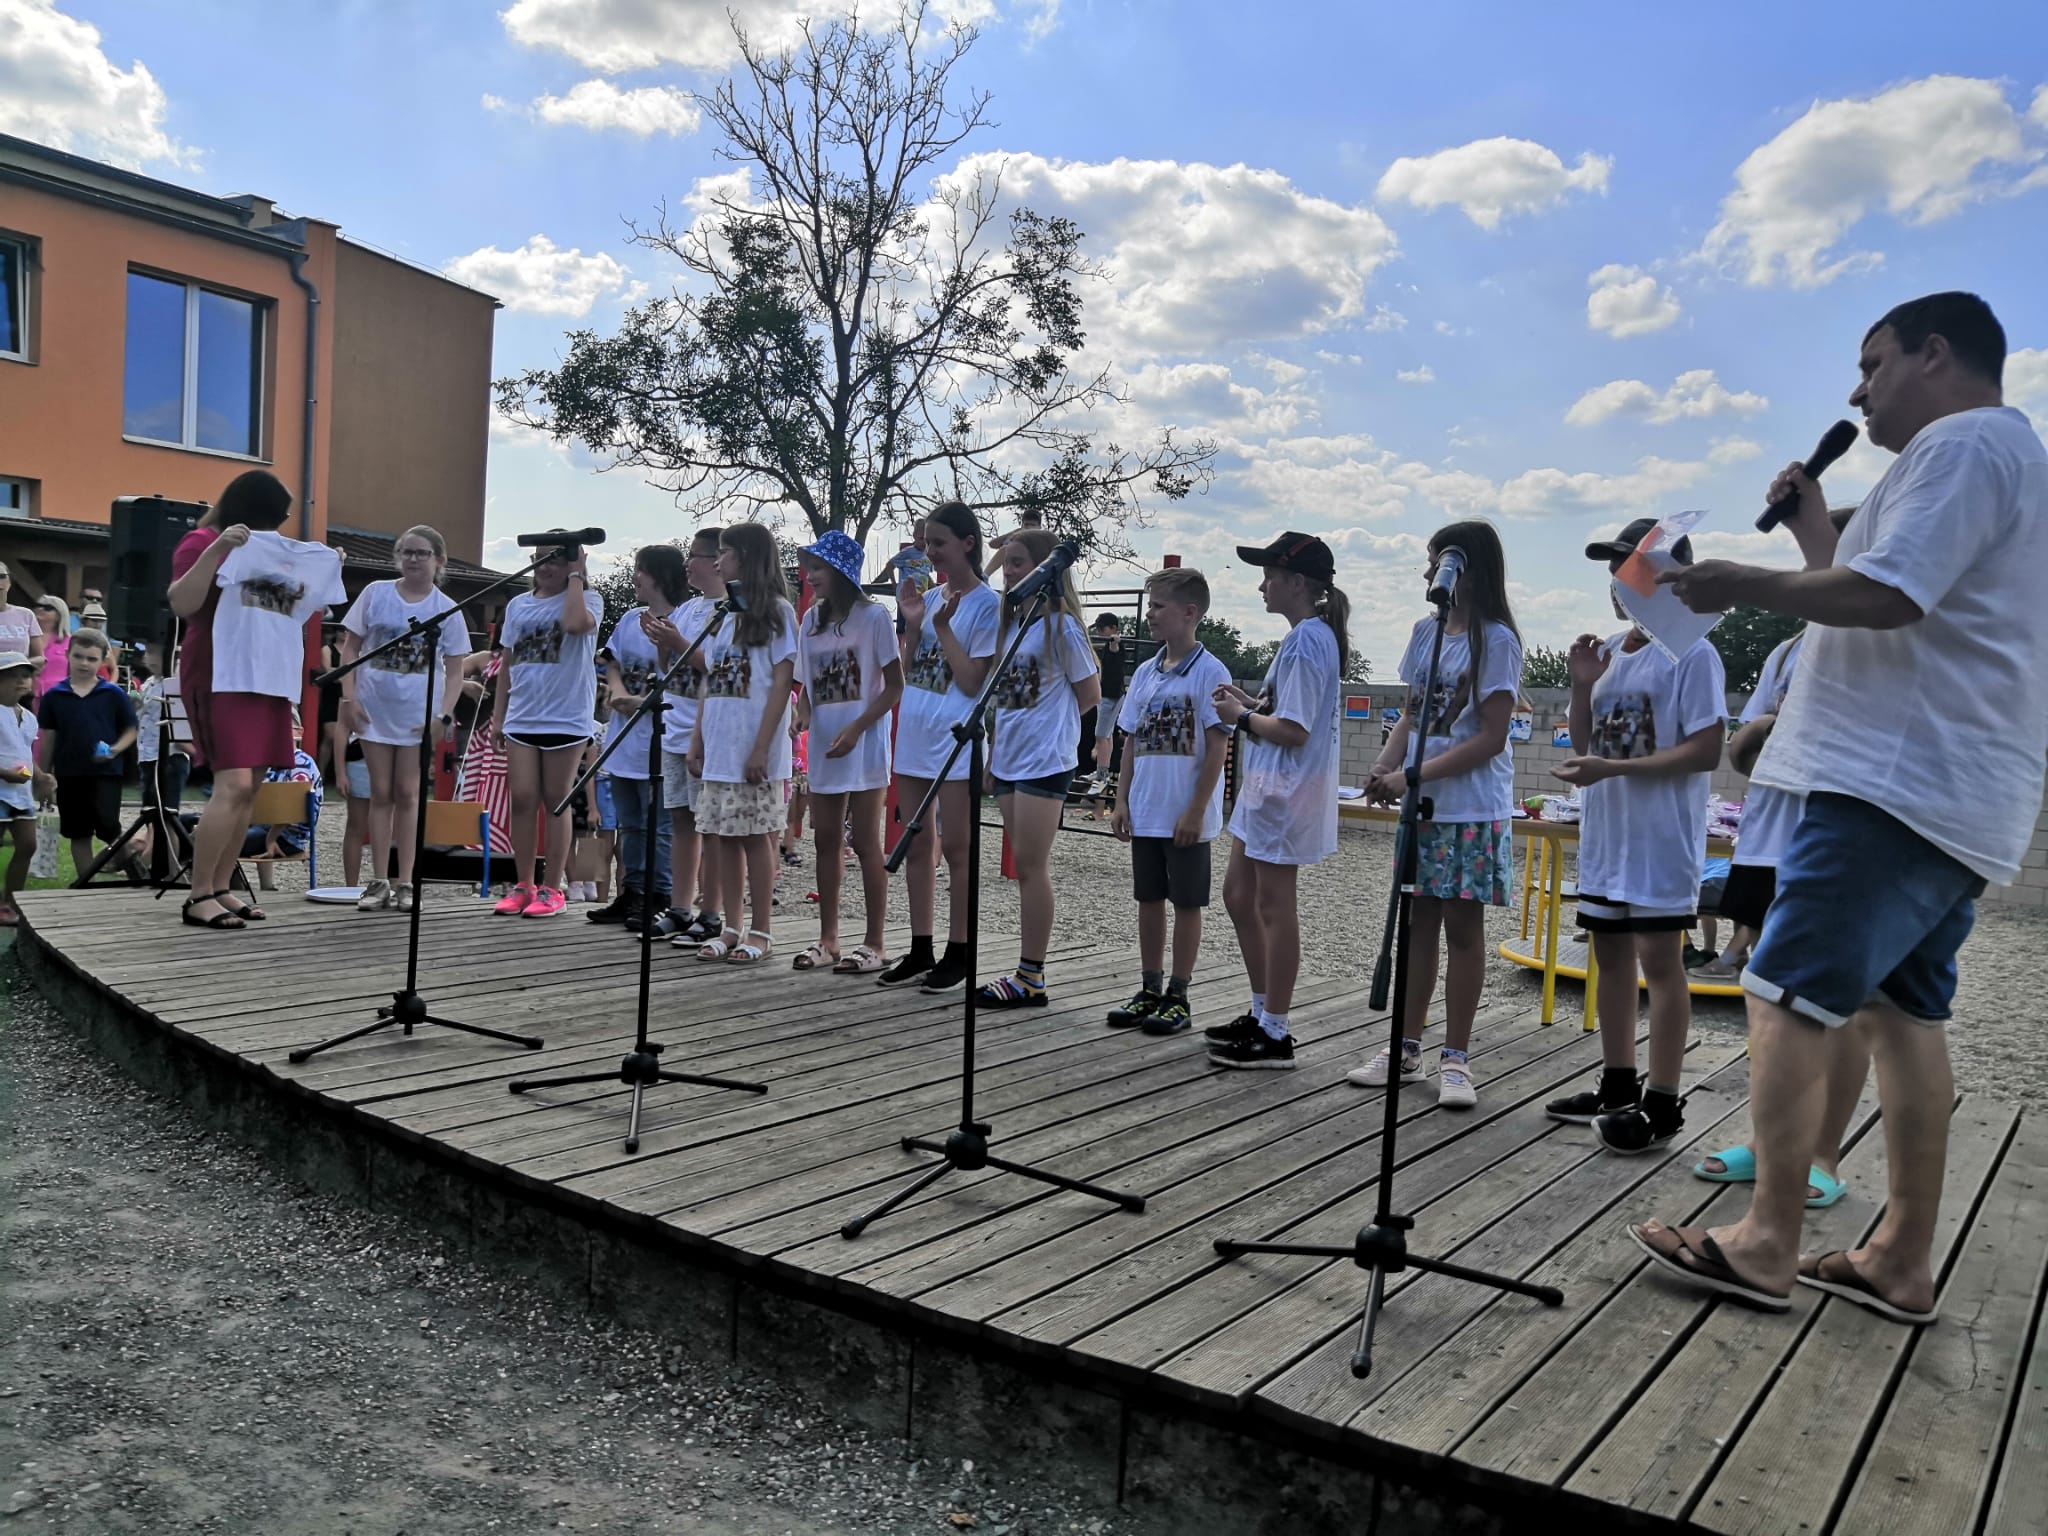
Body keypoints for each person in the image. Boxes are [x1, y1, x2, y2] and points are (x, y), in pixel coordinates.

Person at [1629, 292, 2048, 1322]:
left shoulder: (1960, 446)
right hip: (1953, 792)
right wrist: (1813, 526)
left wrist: (1741, 580)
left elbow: (1887, 598)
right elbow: (1877, 590)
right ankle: (1899, 1258)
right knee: (1900, 1014)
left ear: (1934, 353)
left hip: (1888, 783)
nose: (1856, 393)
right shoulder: (2008, 457)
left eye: (1871, 365)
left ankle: (1766, 1239)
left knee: (1780, 990)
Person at [1541, 519, 1727, 1153]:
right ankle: (1617, 1083)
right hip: (1608, 835)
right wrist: (1581, 686)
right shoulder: (1615, 650)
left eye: (1629, 570)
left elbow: (1706, 750)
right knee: (1611, 959)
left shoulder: (1693, 651)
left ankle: (1664, 1100)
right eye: (1613, 572)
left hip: (1658, 839)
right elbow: (1587, 743)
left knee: (1661, 962)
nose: (1617, 584)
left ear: (1669, 578)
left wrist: (1612, 770)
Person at [1352, 522, 1525, 1108]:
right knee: (1417, 925)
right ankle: (1405, 1047)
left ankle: (1456, 1057)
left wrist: (1412, 775)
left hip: (1470, 806)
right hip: (1422, 808)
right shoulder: (1424, 632)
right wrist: (1384, 766)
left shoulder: (1496, 640)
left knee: (1463, 931)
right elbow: (1412, 713)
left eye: (1439, 561)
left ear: (1466, 569)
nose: (1429, 573)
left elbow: (1492, 738)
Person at [1207, 532, 1348, 1069]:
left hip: (1287, 791)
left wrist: (1240, 717)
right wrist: (1249, 703)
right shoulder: (1303, 637)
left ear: (1298, 582)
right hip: (1268, 787)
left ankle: (1276, 1030)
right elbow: (1283, 711)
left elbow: (1294, 730)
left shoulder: (1310, 639)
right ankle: (1262, 1009)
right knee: (1238, 894)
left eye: (1269, 576)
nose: (1262, 586)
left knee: (1273, 904)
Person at [879, 501, 1002, 992]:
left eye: (939, 543)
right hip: (915, 730)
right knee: (916, 841)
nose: (930, 552)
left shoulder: (987, 604)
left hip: (955, 737)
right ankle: (920, 946)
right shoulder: (929, 598)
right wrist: (912, 626)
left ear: (968, 544)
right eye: (926, 543)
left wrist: (945, 628)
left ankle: (960, 949)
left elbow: (972, 681)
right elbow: (910, 670)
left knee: (956, 846)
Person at [1105, 568, 1232, 1036]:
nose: (1151, 615)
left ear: (1189, 612)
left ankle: (1179, 994)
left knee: (1187, 901)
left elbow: (1217, 746)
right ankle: (1149, 987)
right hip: (1147, 808)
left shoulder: (1210, 671)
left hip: (1184, 812)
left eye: (1159, 606)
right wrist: (1121, 800)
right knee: (1149, 898)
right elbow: (1130, 741)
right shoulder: (1144, 672)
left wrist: (1196, 810)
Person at [979, 528, 1101, 1008]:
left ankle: (1031, 975)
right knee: (1023, 867)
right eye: (1007, 563)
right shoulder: (1012, 625)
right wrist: (994, 755)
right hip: (1010, 756)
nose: (1010, 572)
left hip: (1044, 759)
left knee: (1031, 867)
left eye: (1018, 562)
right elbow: (1002, 701)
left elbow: (1089, 692)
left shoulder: (1061, 626)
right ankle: (1025, 971)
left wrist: (1052, 725)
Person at [338, 526, 471, 913]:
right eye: (407, 552)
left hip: (418, 715)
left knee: (409, 793)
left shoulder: (446, 608)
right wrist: (349, 697)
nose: (413, 559)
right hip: (374, 710)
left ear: (438, 560)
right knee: (381, 792)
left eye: (421, 553)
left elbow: (456, 670)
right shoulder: (375, 593)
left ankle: (406, 881)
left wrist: (443, 715)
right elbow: (350, 648)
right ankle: (379, 879)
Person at [790, 530, 903, 974]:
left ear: (840, 571)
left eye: (818, 568)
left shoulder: (874, 618)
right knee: (825, 839)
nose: (810, 576)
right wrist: (802, 714)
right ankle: (828, 939)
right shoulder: (809, 621)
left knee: (866, 840)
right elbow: (807, 685)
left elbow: (894, 686)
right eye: (810, 567)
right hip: (825, 743)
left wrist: (857, 728)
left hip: (864, 742)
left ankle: (875, 942)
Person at [686, 523, 797, 964]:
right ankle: (731, 926)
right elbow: (710, 682)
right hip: (720, 745)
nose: (718, 561)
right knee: (723, 838)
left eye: (725, 552)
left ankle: (762, 929)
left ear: (746, 557)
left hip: (753, 748)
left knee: (755, 838)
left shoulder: (777, 612)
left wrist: (761, 747)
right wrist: (697, 739)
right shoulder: (723, 615)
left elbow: (782, 683)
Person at [489, 541, 602, 919]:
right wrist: (499, 716)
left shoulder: (589, 600)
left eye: (554, 558)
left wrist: (577, 574)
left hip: (565, 717)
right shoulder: (518, 605)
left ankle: (554, 888)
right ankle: (524, 883)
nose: (544, 566)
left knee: (557, 800)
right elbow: (507, 663)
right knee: (522, 798)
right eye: (539, 559)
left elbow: (573, 625)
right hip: (523, 715)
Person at [590, 545, 686, 931]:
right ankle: (631, 891)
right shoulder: (631, 619)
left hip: (660, 737)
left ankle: (659, 894)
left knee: (658, 824)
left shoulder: (683, 620)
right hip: (623, 737)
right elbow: (611, 661)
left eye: (640, 571)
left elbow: (683, 678)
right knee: (629, 822)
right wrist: (616, 691)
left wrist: (644, 701)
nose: (635, 578)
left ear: (659, 576)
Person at [646, 529, 724, 944]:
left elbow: (719, 666)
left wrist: (676, 641)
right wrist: (662, 641)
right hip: (674, 725)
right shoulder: (689, 608)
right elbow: (668, 665)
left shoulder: (728, 610)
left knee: (709, 823)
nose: (686, 564)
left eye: (693, 556)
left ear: (716, 562)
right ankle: (680, 906)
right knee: (680, 818)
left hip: (704, 728)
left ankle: (711, 911)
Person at [35, 628, 140, 882]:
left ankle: (136, 871)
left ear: (103, 660)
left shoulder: (113, 694)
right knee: (77, 831)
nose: (84, 663)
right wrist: (44, 777)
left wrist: (115, 749)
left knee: (108, 826)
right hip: (69, 773)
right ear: (68, 655)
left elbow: (131, 729)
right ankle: (87, 883)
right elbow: (48, 739)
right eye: (79, 656)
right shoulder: (54, 696)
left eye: (91, 658)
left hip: (106, 772)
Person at [0, 650, 54, 925]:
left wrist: (42, 777)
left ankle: (11, 902)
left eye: (25, 675)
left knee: (28, 845)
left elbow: (23, 753)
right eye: (12, 676)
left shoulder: (30, 718)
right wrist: (5, 774)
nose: (21, 681)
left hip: (20, 793)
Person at [131, 642, 191, 875]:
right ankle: (155, 866)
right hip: (147, 756)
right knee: (151, 815)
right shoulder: (148, 684)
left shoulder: (178, 681)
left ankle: (171, 870)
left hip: (170, 757)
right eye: (147, 652)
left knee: (168, 817)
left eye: (155, 652)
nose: (149, 657)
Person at [1085, 611, 1129, 795]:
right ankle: (1101, 772)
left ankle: (1102, 777)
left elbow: (1115, 647)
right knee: (1106, 735)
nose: (1100, 632)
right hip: (1106, 695)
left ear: (1113, 628)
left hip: (1111, 696)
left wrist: (1114, 641)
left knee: (1101, 736)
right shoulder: (1105, 645)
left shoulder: (1115, 645)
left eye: (1102, 629)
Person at [0, 561, 45, 666]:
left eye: (2, 576)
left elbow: (40, 658)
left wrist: (16, 663)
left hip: (18, 674)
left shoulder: (26, 615)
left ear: (9, 582)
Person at [31, 595, 68, 702]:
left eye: (47, 608)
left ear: (59, 615)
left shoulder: (70, 641)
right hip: (29, 695)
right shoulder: (25, 637)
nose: (40, 609)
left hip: (59, 696)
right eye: (38, 605)